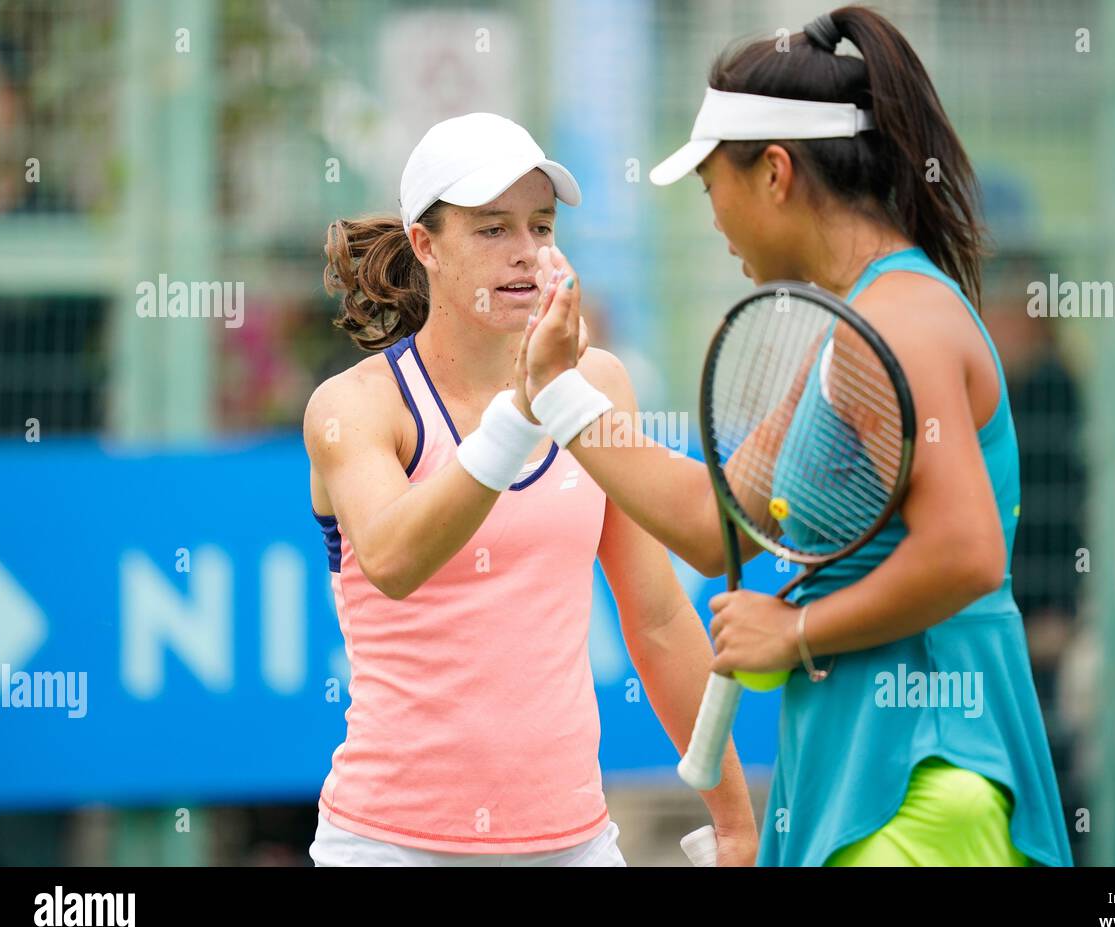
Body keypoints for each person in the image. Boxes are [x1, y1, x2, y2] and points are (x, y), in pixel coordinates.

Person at [517, 6, 1072, 866]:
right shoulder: (850, 327)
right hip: (876, 779)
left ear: (774, 172)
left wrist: (796, 632)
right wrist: (558, 396)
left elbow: (967, 554)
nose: (713, 220)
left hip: (923, 785)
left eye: (712, 189)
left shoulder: (901, 323)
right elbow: (715, 527)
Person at [303, 113, 757, 866]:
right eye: (491, 230)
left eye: (541, 227)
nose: (526, 255)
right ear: (426, 245)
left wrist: (735, 815)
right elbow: (391, 558)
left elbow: (657, 617)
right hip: (386, 845)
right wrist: (526, 407)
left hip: (575, 841)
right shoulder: (355, 406)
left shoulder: (599, 385)